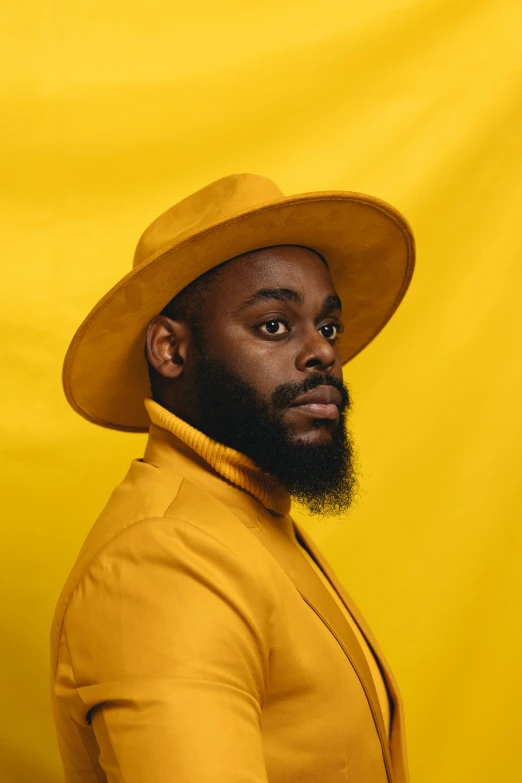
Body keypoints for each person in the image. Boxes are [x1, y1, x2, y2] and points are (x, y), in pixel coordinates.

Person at [50, 173, 415, 783]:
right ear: (170, 350)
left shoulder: (246, 519)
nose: (323, 353)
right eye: (274, 325)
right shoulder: (163, 562)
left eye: (328, 327)